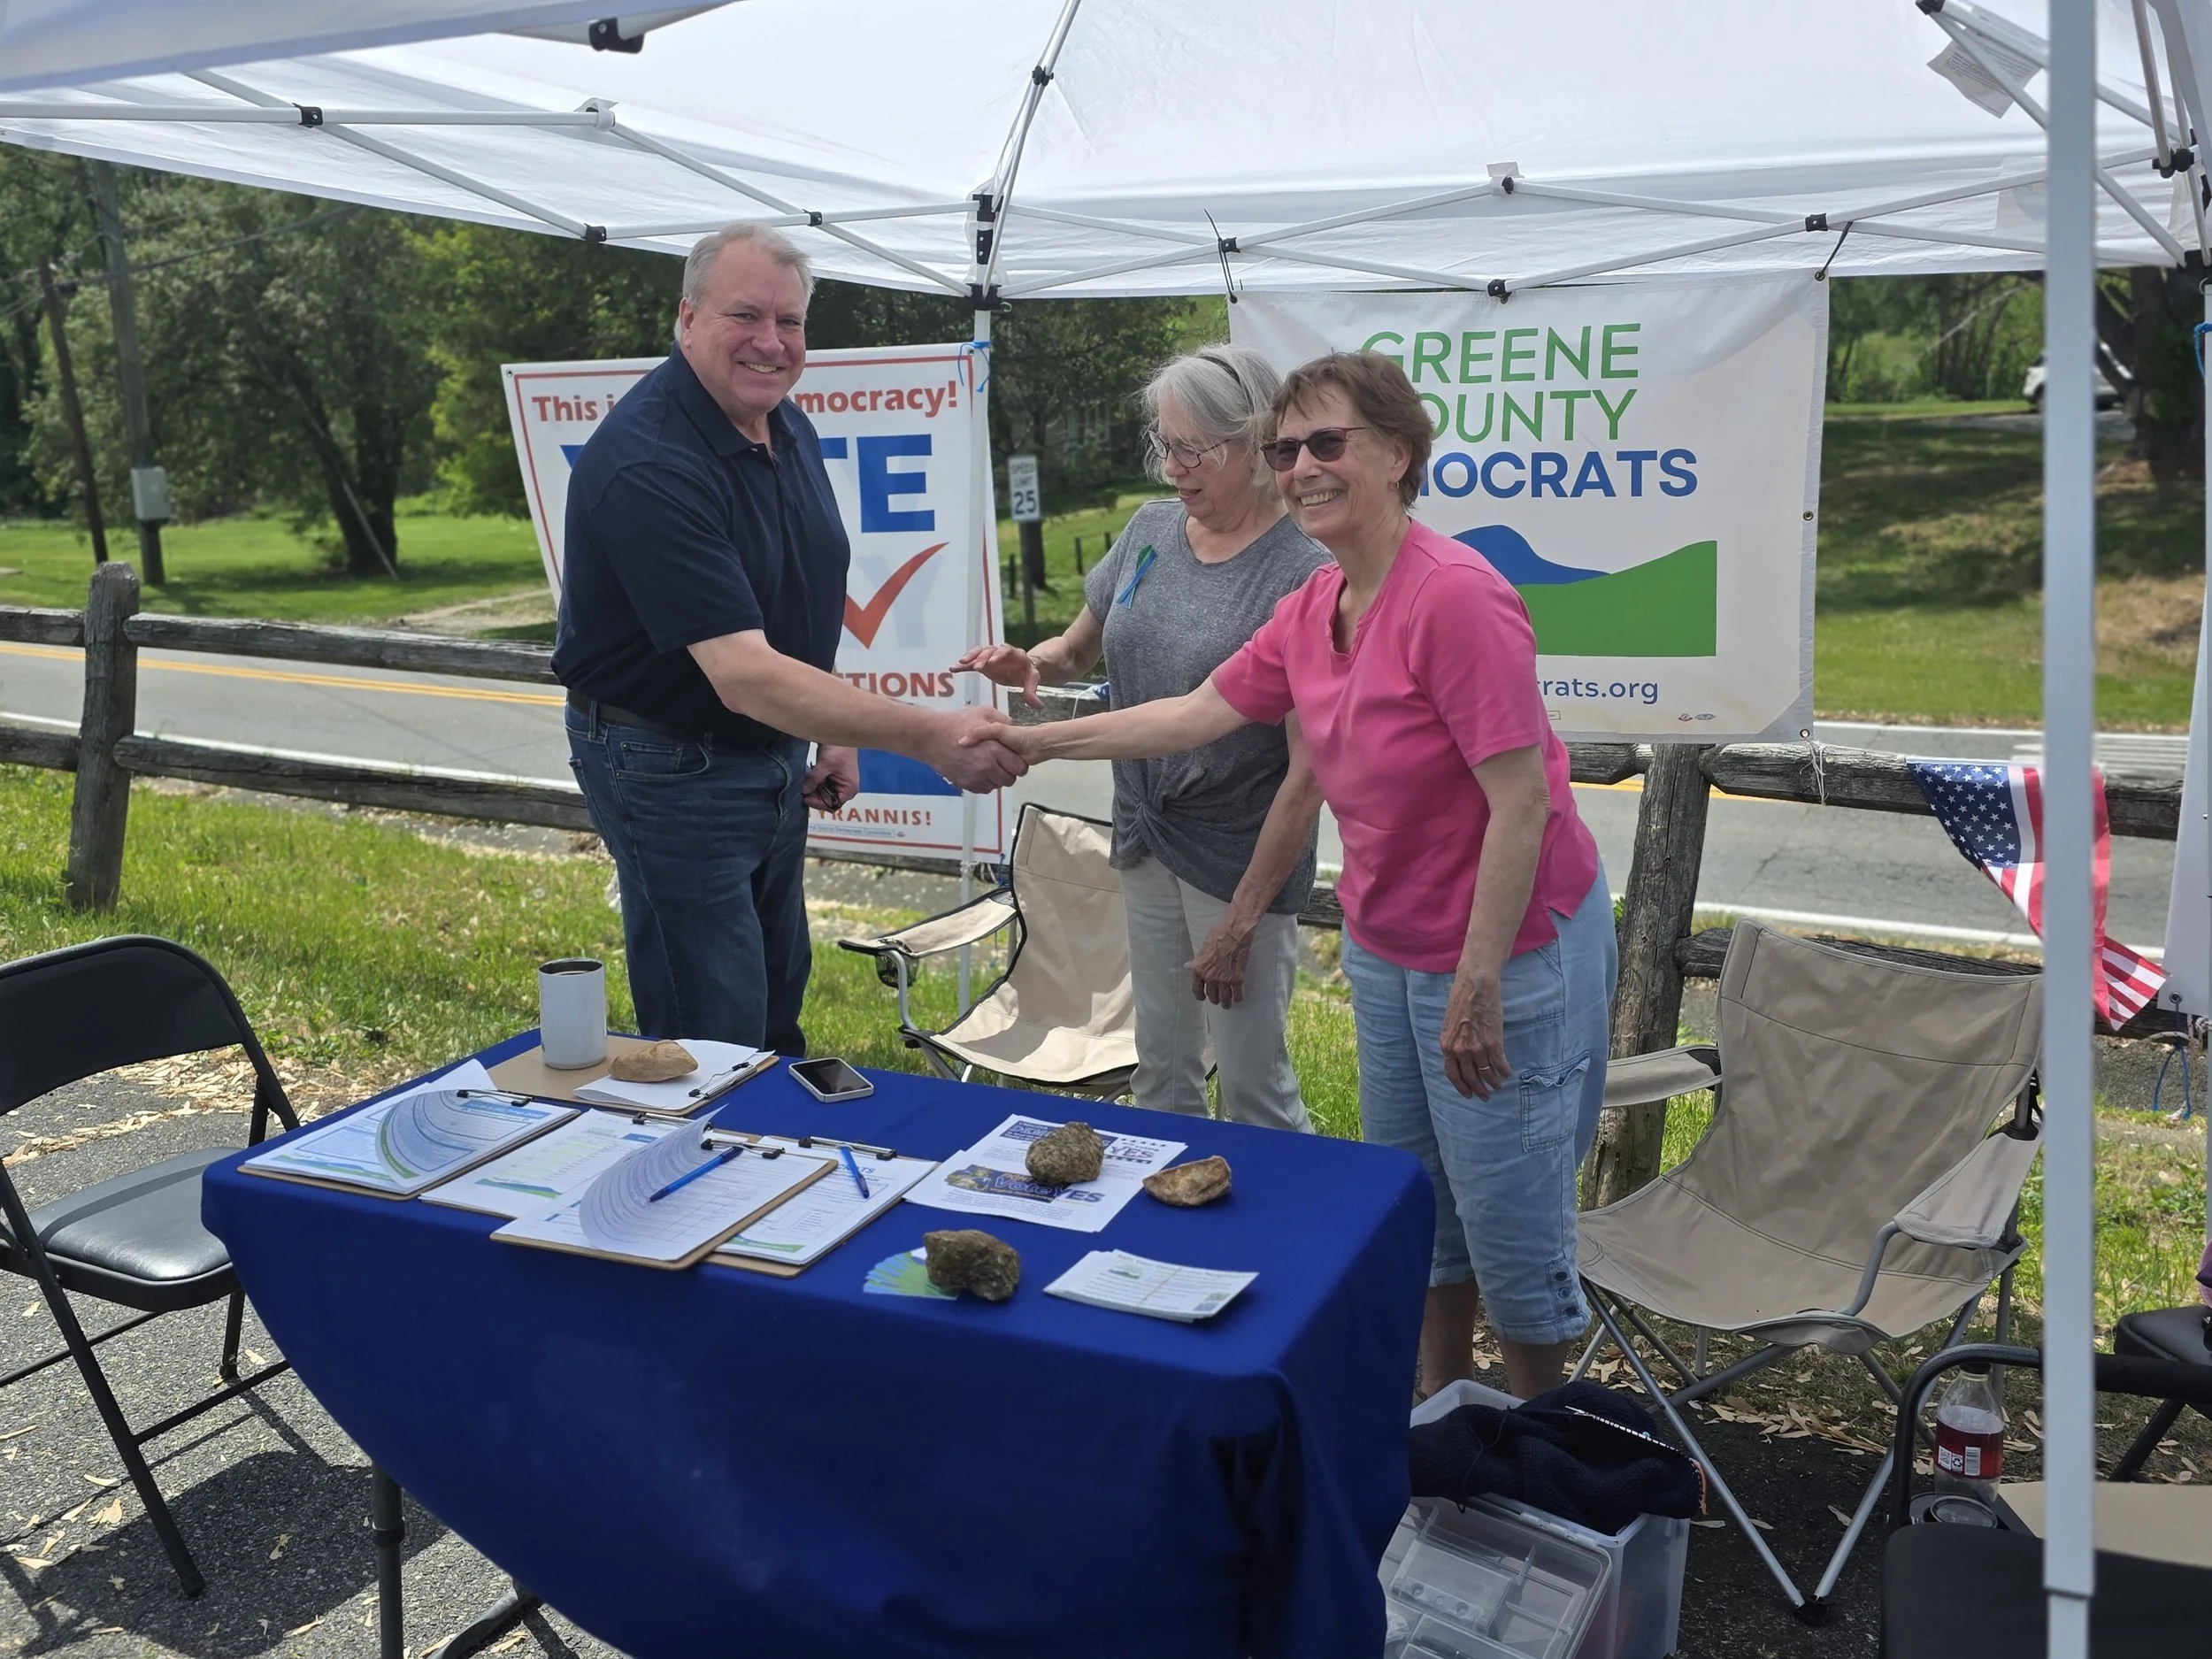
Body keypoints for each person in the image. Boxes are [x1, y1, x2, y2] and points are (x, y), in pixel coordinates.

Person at [986, 352, 1612, 1401]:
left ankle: (1546, 1460)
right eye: (1286, 450)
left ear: (1399, 454)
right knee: (1417, 1208)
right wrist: (1037, 742)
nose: (1303, 468)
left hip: (1508, 950)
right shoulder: (1316, 603)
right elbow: (1194, 715)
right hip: (1387, 942)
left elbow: (1522, 803)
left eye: (1328, 443)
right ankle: (1440, 1423)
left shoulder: (1455, 597)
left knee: (1510, 1229)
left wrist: (1477, 980)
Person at [555, 222, 1022, 1056]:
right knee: (713, 1025)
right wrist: (927, 737)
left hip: (766, 751)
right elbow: (743, 673)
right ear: (686, 318)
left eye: (791, 322)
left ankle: (774, 1164)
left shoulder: (783, 423)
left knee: (775, 994)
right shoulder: (649, 462)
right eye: (746, 316)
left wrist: (833, 731)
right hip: (665, 760)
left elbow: (797, 590)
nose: (771, 343)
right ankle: (706, 1172)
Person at [956, 347, 1330, 1132]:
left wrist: (1242, 919)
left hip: (1239, 855)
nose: (1173, 469)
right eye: (1165, 445)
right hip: (1145, 834)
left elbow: (1309, 773)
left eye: (1194, 450)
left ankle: (1296, 1239)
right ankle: (1171, 1225)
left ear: (1257, 446)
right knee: (1159, 1063)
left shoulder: (1304, 572)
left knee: (1254, 1083)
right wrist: (1032, 663)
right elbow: (1081, 647)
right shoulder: (1151, 530)